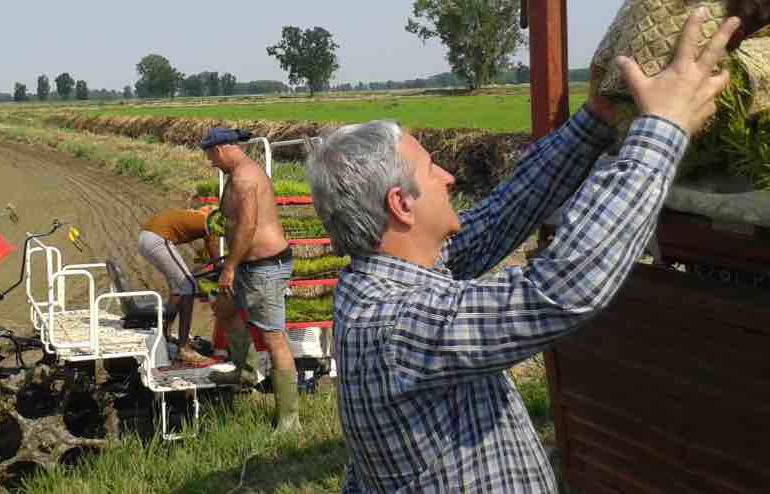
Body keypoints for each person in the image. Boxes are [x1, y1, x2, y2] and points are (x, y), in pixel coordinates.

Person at [304, 10, 738, 493]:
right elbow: (555, 291)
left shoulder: (385, 277)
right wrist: (661, 130)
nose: (448, 176)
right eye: (432, 170)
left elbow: (499, 217)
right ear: (401, 205)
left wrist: (595, 120)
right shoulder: (392, 326)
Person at [201, 127, 301, 432]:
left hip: (264, 267)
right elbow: (233, 220)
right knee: (225, 310)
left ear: (219, 150)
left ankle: (289, 419)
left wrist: (229, 266)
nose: (211, 163)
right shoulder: (236, 175)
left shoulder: (245, 178)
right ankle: (243, 373)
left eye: (210, 156)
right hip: (247, 265)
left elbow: (248, 226)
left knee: (273, 339)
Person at [138, 205, 219, 365]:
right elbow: (213, 253)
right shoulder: (206, 221)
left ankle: (165, 334)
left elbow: (207, 251)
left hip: (146, 238)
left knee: (178, 289)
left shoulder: (192, 216)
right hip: (157, 239)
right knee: (188, 285)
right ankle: (184, 348)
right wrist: (221, 271)